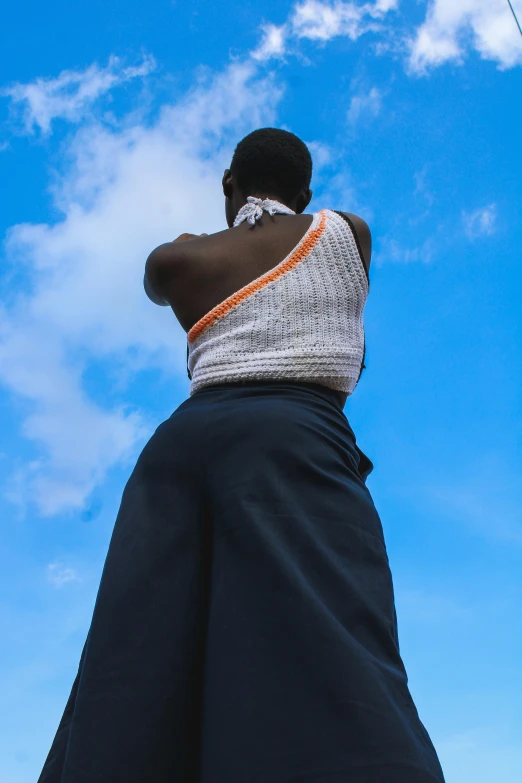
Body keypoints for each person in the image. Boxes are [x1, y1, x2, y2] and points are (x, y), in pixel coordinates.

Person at [38, 128, 446, 782]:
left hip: (176, 450)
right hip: (291, 438)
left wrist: (214, 229)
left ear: (228, 183)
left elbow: (157, 278)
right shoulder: (348, 232)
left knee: (136, 666)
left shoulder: (180, 260)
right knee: (326, 646)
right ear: (306, 191)